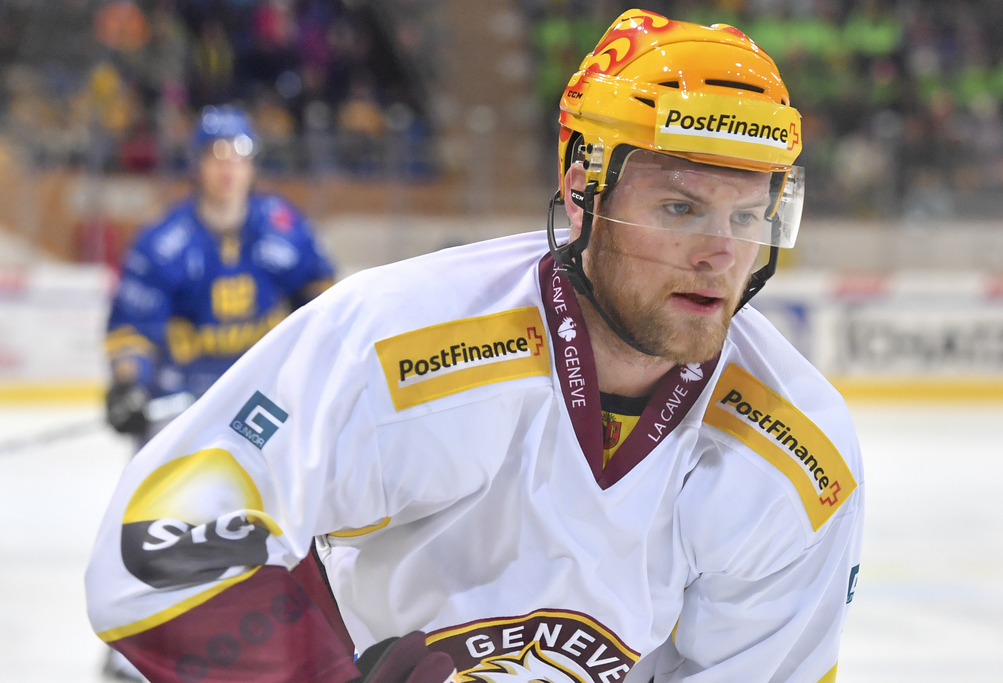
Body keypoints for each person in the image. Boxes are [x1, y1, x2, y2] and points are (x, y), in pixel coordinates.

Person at [87, 11, 864, 683]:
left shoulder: (799, 455)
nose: (718, 253)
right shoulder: (392, 338)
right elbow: (158, 547)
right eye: (679, 205)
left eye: (746, 215)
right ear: (581, 190)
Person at [100, 104, 336, 680]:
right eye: (216, 155)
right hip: (187, 407)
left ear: (254, 165)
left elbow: (327, 306)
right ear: (197, 165)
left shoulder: (282, 224)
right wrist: (129, 386)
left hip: (263, 405)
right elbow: (133, 328)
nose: (229, 167)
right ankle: (136, 646)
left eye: (241, 154)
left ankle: (288, 632)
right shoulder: (164, 241)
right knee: (158, 523)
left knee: (285, 520)